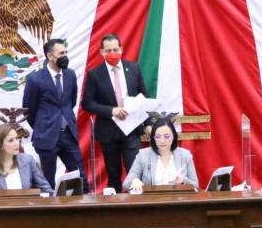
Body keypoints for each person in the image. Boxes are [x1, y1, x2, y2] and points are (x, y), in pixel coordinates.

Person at [83, 33, 149, 192]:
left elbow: (144, 97)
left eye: (115, 49)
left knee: (135, 172)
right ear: (102, 52)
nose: (112, 53)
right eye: (108, 50)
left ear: (121, 49)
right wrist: (111, 111)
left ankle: (137, 204)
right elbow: (87, 103)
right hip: (108, 131)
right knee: (113, 174)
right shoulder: (94, 74)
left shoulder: (134, 68)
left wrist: (148, 124)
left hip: (131, 129)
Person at [22, 38, 90, 192]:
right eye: (61, 53)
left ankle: (84, 204)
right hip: (46, 137)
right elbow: (28, 110)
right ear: (50, 56)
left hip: (68, 135)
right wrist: (43, 126)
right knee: (48, 181)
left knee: (80, 177)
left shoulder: (70, 74)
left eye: (65, 52)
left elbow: (71, 101)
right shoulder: (35, 79)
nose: (65, 56)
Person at [123, 118, 199, 191]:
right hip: (151, 199)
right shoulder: (143, 155)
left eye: (166, 136)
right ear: (153, 138)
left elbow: (196, 186)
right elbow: (126, 184)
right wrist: (134, 181)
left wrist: (183, 180)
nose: (162, 141)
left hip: (178, 198)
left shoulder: (185, 155)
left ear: (173, 136)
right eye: (158, 137)